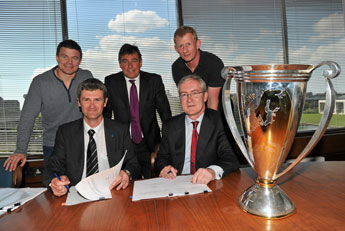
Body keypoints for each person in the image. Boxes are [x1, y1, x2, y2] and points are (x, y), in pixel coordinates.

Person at [3, 40, 93, 172]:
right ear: (57, 57)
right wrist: (20, 150)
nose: (69, 62)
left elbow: (96, 109)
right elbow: (28, 117)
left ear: (80, 60)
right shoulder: (40, 82)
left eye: (75, 58)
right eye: (64, 57)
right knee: (56, 188)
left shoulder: (86, 76)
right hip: (53, 146)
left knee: (88, 187)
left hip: (83, 144)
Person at [43, 78, 141, 196]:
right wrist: (54, 182)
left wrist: (127, 173)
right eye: (86, 100)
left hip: (113, 193)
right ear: (79, 102)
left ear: (105, 102)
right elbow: (52, 167)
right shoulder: (66, 132)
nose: (92, 106)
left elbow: (134, 164)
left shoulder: (120, 130)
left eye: (97, 100)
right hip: (77, 195)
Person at [154, 75, 239, 184]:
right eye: (184, 94)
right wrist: (165, 169)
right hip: (176, 183)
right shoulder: (170, 125)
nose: (189, 99)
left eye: (194, 93)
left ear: (205, 96)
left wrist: (212, 171)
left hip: (210, 184)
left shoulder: (221, 121)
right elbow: (161, 158)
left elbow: (231, 158)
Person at [104, 44, 172, 179]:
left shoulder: (154, 81)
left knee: (151, 184)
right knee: (126, 183)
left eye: (134, 61)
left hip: (150, 144)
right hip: (123, 144)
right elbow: (106, 117)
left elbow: (165, 114)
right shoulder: (111, 82)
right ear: (120, 64)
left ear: (140, 62)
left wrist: (167, 143)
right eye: (125, 61)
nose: (130, 66)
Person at [172, 26, 225, 111]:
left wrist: (207, 124)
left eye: (188, 44)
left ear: (197, 44)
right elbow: (186, 99)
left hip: (219, 113)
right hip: (196, 113)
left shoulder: (214, 63)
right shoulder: (176, 68)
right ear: (176, 49)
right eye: (181, 46)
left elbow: (212, 102)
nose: (185, 50)